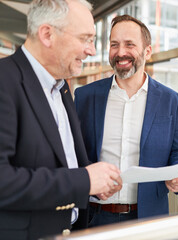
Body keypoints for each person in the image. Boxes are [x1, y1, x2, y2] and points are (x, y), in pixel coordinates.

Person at [0, 0, 123, 239]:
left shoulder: (62, 88)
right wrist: (84, 181)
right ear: (47, 34)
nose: (91, 50)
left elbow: (61, 160)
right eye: (85, 39)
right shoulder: (4, 81)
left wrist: (94, 186)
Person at [74, 15, 178, 226]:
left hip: (148, 218)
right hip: (94, 217)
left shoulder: (171, 100)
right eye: (114, 45)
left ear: (147, 51)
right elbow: (72, 151)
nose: (120, 53)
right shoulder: (84, 97)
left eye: (130, 45)